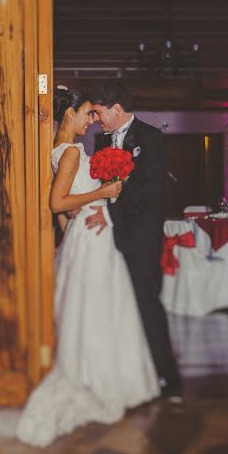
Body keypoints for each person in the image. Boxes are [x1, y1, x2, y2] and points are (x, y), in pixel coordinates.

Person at [16, 86, 159, 447]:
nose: (92, 119)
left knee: (93, 306)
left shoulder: (63, 151)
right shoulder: (72, 154)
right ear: (69, 116)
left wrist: (70, 231)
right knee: (96, 307)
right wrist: (103, 193)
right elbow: (57, 202)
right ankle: (97, 377)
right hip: (92, 239)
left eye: (95, 114)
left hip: (86, 235)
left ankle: (100, 372)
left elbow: (65, 210)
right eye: (87, 113)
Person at [86, 81, 183, 400]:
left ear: (116, 108)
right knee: (113, 302)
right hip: (105, 233)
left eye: (99, 112)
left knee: (145, 301)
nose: (97, 119)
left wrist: (110, 214)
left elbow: (148, 191)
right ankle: (123, 371)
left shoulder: (151, 138)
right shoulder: (101, 141)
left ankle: (166, 375)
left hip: (140, 234)